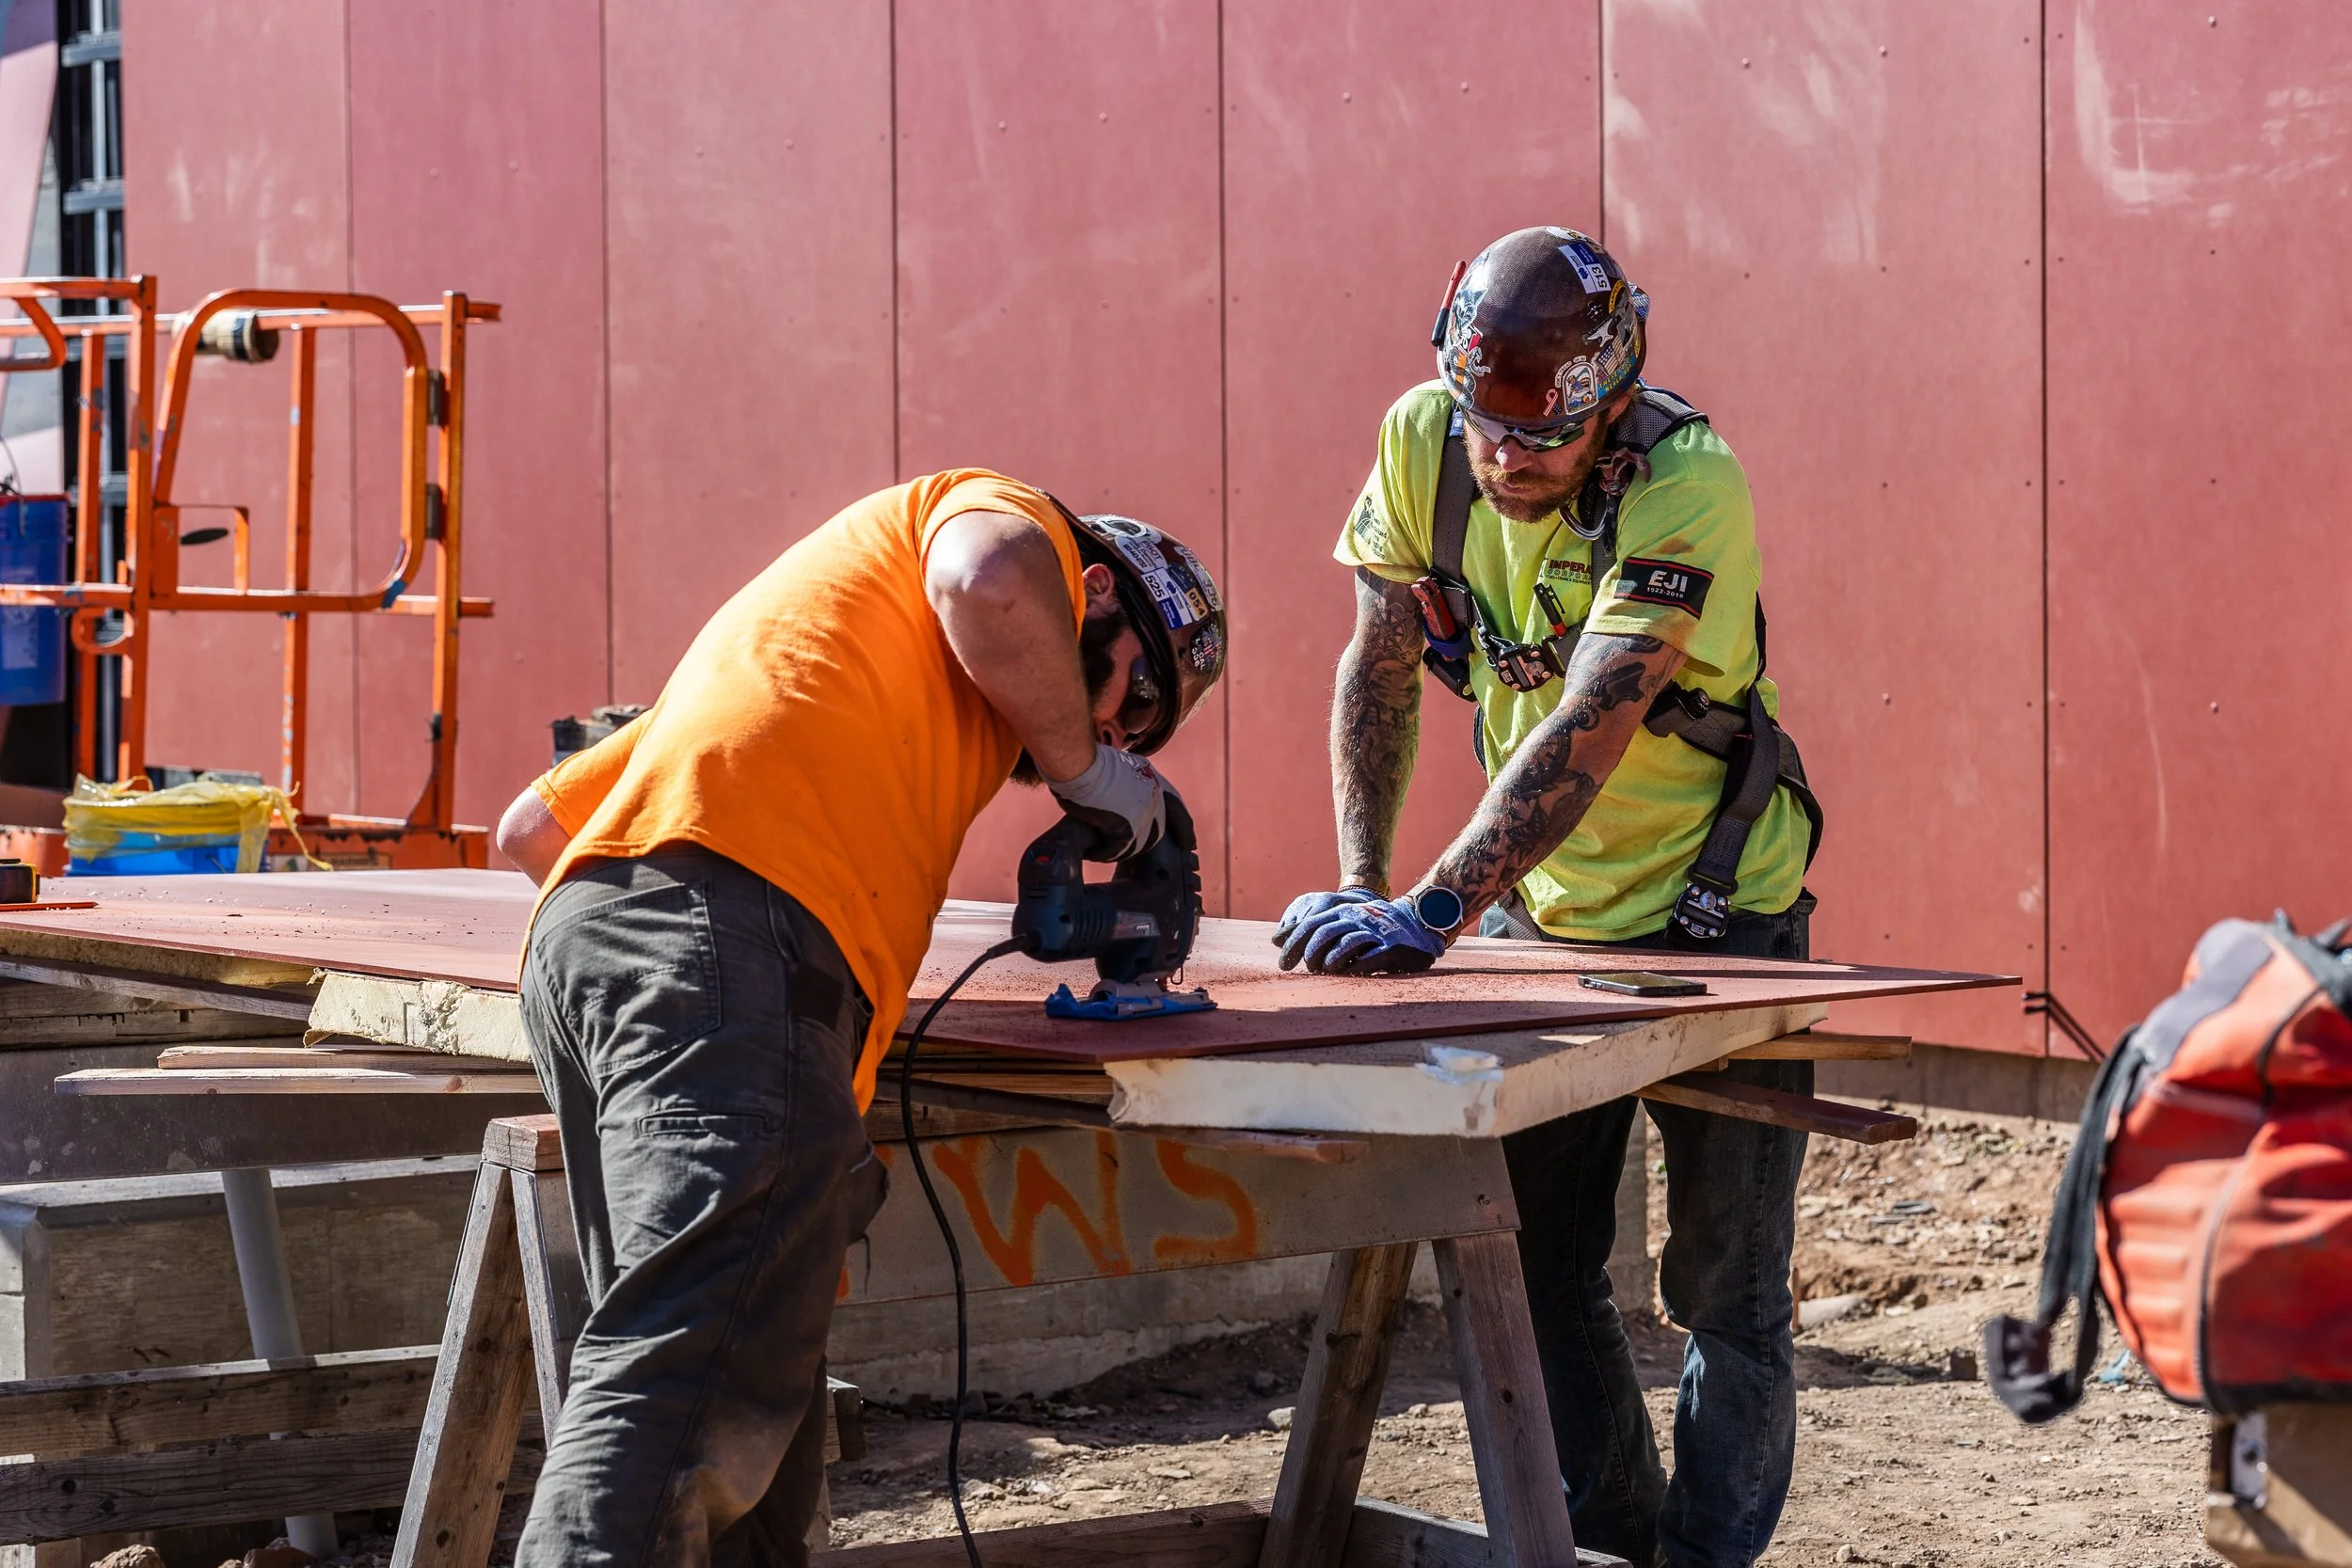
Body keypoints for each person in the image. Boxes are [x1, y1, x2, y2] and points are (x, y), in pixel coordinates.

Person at [494, 470, 1224, 1566]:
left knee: (740, 1392)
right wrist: (1092, 772)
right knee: (679, 1399)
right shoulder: (996, 517)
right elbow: (988, 580)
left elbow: (527, 832)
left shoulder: (804, 653)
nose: (1119, 732)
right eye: (1133, 703)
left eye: (1132, 733)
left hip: (596, 949)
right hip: (727, 953)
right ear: (1097, 589)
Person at [1275, 227, 1821, 1568]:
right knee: (1540, 1261)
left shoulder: (1690, 482)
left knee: (1723, 1286)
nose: (1507, 461)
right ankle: (1609, 1541)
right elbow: (1383, 667)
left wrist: (1434, 912)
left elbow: (1596, 714)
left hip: (1718, 916)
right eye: (1486, 432)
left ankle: (1707, 1557)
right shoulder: (1422, 440)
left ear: (1611, 404)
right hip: (1539, 915)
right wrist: (1363, 884)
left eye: (1543, 440)